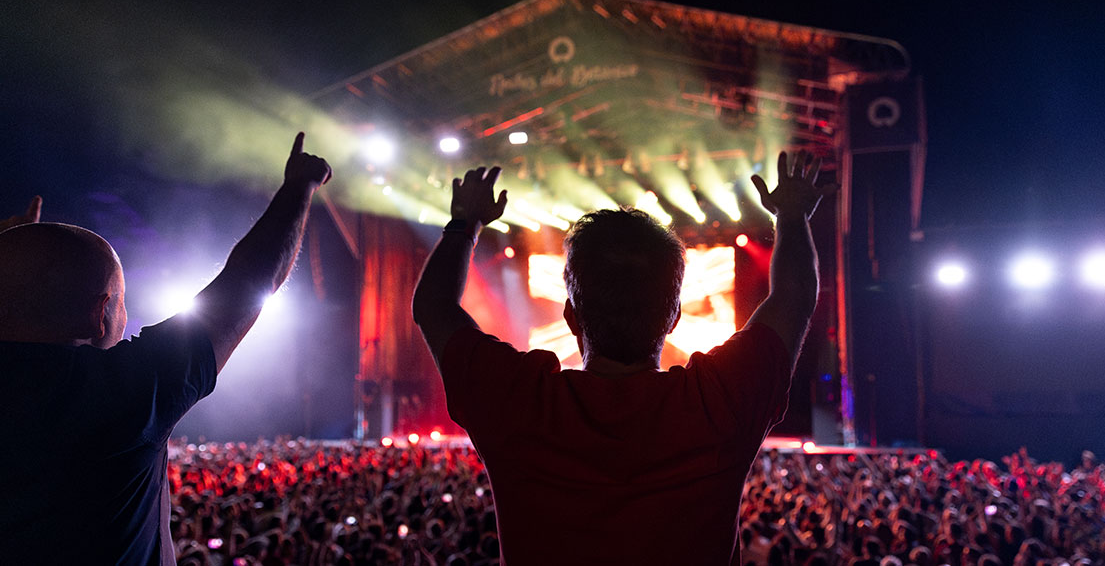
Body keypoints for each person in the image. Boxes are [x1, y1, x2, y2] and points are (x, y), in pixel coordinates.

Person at [412, 152, 835, 565]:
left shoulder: (519, 399)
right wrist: (794, 217)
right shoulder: (716, 402)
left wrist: (464, 224)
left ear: (571, 317)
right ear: (674, 318)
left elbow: (433, 306)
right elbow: (794, 298)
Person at [0, 133, 331, 565]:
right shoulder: (119, 394)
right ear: (100, 313)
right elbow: (249, 283)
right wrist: (300, 186)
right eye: (120, 301)